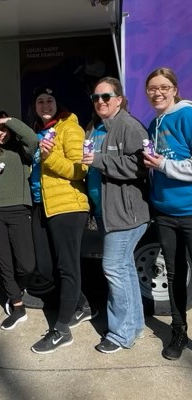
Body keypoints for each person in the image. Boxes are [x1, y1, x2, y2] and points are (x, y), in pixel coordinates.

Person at [82, 77, 150, 353]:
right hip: (108, 213)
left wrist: (99, 160)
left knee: (113, 269)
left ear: (119, 99)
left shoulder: (128, 126)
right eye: (96, 98)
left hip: (126, 215)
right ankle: (134, 326)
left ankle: (120, 334)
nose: (100, 102)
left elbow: (141, 166)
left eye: (106, 96)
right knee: (125, 269)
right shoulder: (102, 128)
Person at [29, 86, 90, 354]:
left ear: (57, 104)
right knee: (46, 266)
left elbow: (80, 170)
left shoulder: (69, 128)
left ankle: (62, 329)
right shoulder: (37, 132)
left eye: (49, 100)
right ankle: (84, 306)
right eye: (40, 100)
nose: (45, 104)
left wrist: (49, 156)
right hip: (45, 206)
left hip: (68, 206)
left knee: (67, 267)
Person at [143, 67, 192, 360]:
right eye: (151, 88)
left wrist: (163, 166)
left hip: (190, 211)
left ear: (174, 88)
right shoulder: (154, 123)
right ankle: (178, 331)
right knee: (174, 274)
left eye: (163, 87)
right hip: (164, 213)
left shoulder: (186, 115)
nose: (157, 92)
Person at [0, 111, 38, 330]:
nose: (0, 134)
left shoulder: (22, 150)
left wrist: (8, 120)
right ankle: (17, 305)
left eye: (3, 129)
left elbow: (33, 139)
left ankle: (12, 286)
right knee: (4, 260)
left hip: (19, 209)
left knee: (27, 264)